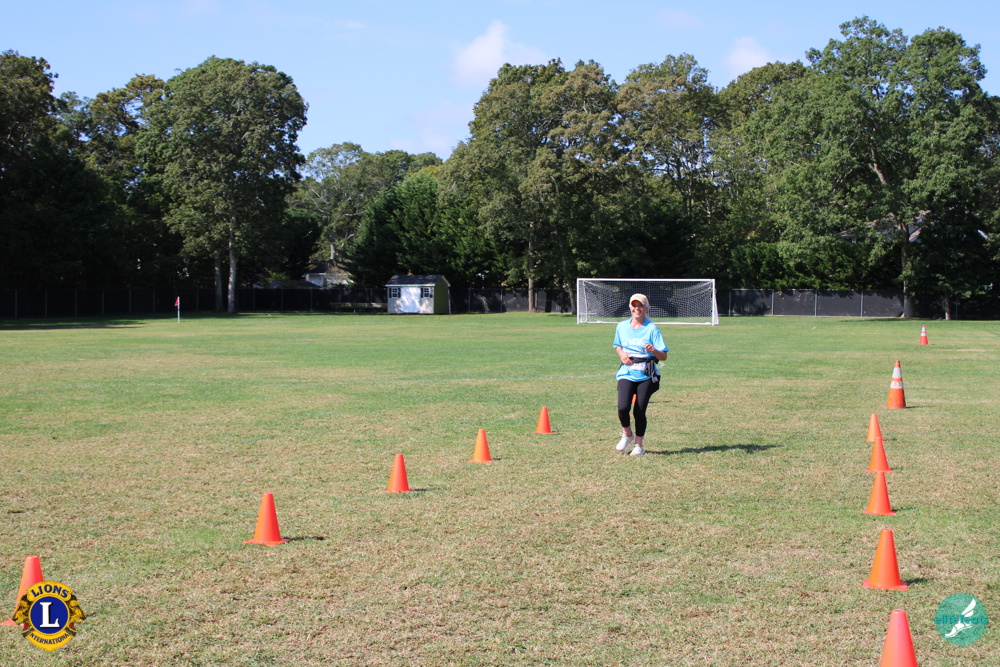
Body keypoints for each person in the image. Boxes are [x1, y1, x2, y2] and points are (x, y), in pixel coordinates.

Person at [613, 293, 668, 455]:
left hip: (646, 375)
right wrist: (622, 354)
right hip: (627, 372)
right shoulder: (621, 326)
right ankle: (627, 434)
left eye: (640, 305)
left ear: (646, 308)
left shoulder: (652, 329)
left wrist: (654, 350)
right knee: (623, 407)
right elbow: (617, 345)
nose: (637, 308)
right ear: (630, 307)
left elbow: (663, 356)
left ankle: (639, 445)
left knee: (639, 410)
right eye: (634, 305)